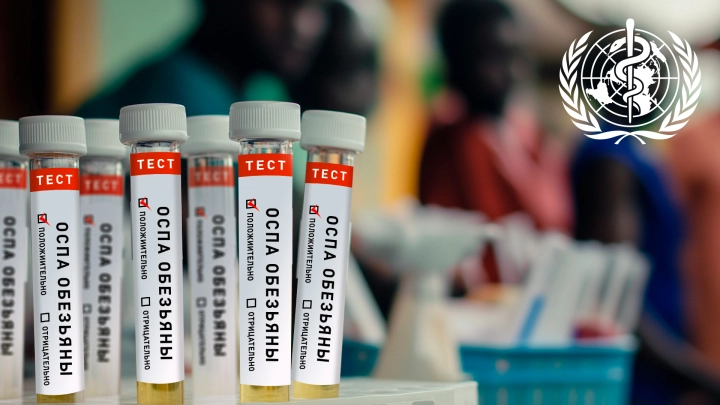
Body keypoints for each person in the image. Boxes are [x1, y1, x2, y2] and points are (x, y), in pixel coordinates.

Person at [418, 0, 572, 287]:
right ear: (457, 62)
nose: (509, 72)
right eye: (489, 58)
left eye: (514, 56)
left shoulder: (527, 136)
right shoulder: (453, 141)